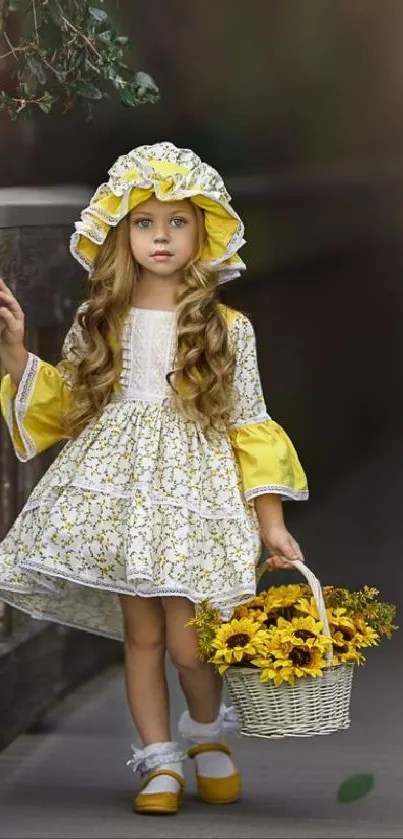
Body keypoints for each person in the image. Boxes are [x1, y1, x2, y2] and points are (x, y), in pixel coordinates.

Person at [0, 142, 308, 815]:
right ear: (120, 233)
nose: (160, 237)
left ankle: (204, 733)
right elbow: (68, 407)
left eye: (176, 222)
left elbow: (250, 427)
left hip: (194, 499)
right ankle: (158, 759)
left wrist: (271, 522)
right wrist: (20, 354)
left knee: (189, 642)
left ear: (203, 231)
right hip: (123, 499)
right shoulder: (98, 319)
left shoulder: (228, 329)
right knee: (140, 636)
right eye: (144, 222)